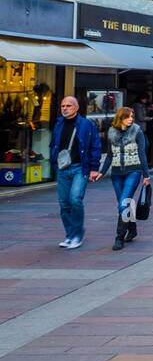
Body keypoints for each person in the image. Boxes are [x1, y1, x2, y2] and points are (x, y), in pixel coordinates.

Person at [49, 96, 102, 250]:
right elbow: (54, 144)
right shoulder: (59, 123)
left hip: (80, 167)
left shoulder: (86, 124)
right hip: (63, 168)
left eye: (69, 106)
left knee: (75, 199)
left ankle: (77, 235)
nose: (65, 108)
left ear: (76, 108)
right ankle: (70, 235)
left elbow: (95, 146)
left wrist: (94, 168)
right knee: (64, 203)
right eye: (62, 105)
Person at [97, 106, 151, 252]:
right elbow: (109, 155)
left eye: (132, 116)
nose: (131, 119)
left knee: (122, 205)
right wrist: (102, 172)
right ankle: (132, 229)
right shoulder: (111, 133)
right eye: (128, 117)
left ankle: (119, 238)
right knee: (125, 204)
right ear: (120, 118)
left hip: (133, 171)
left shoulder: (137, 131)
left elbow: (142, 153)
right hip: (116, 174)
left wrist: (146, 175)